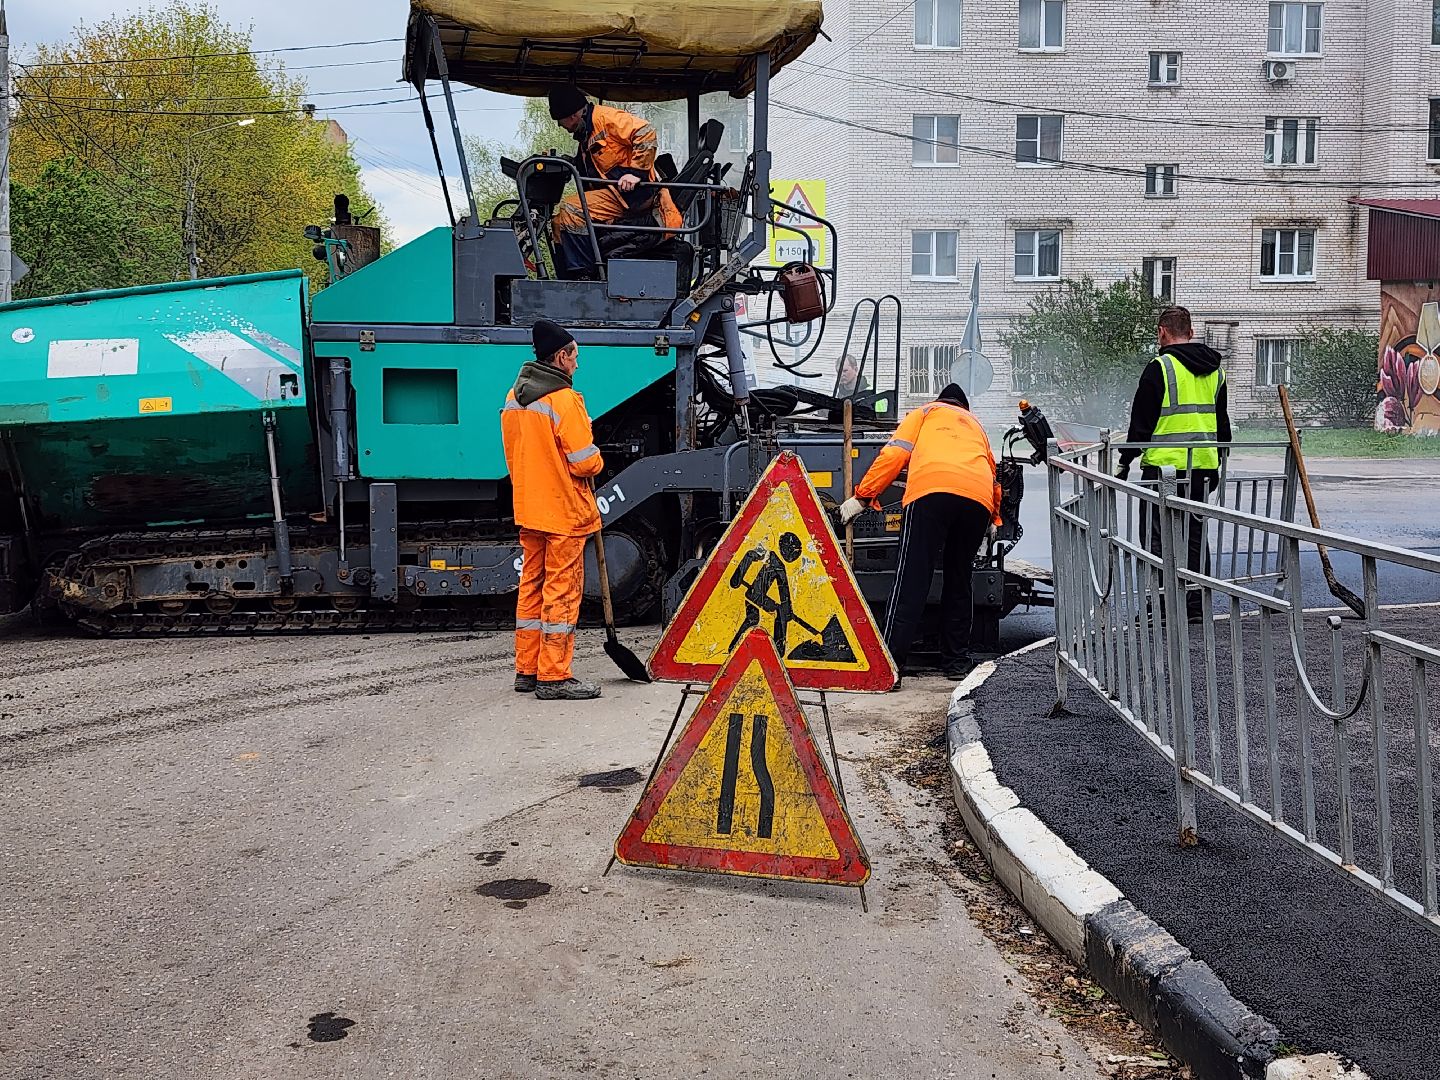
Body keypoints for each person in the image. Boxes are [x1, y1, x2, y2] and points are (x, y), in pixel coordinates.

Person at [840, 383, 1001, 682]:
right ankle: (955, 663)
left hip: (931, 492)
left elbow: (894, 455)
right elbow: (992, 474)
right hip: (978, 501)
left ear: (939, 400)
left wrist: (863, 496)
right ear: (963, 407)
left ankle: (891, 664)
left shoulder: (925, 412)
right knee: (959, 578)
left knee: (912, 578)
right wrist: (994, 517)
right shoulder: (975, 425)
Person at [501, 319, 606, 700]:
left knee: (531, 587)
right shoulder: (563, 400)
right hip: (563, 511)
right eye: (575, 357)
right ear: (561, 357)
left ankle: (526, 671)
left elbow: (515, 454)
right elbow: (583, 462)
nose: (577, 364)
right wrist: (597, 459)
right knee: (561, 590)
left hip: (530, 508)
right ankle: (554, 676)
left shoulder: (515, 397)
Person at [1116, 305, 1232, 622]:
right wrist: (1218, 461)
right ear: (1191, 332)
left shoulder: (1160, 368)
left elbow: (1141, 424)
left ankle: (1163, 607)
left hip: (1164, 471)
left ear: (1162, 332)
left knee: (1157, 538)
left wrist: (1124, 462)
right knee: (1194, 536)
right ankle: (1194, 606)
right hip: (1203, 469)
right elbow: (1223, 425)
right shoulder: (1216, 371)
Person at [546, 86, 682, 279]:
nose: (561, 126)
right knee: (558, 222)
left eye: (559, 120)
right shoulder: (587, 135)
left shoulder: (605, 118)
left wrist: (637, 173)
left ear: (572, 115)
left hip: (635, 197)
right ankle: (564, 278)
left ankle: (586, 276)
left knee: (572, 208)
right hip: (616, 197)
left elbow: (646, 131)